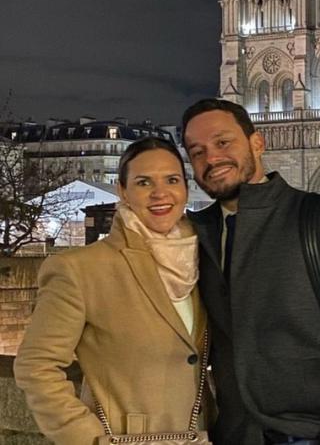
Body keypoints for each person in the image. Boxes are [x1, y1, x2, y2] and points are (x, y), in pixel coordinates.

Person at [181, 98, 320, 445]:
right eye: (197, 152)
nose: (211, 158)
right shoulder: (193, 234)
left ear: (257, 143)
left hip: (314, 435)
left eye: (223, 142)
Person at [15, 137, 208, 445]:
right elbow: (36, 366)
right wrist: (86, 438)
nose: (161, 193)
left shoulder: (203, 260)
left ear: (185, 188)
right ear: (122, 191)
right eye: (144, 182)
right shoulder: (81, 268)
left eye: (172, 179)